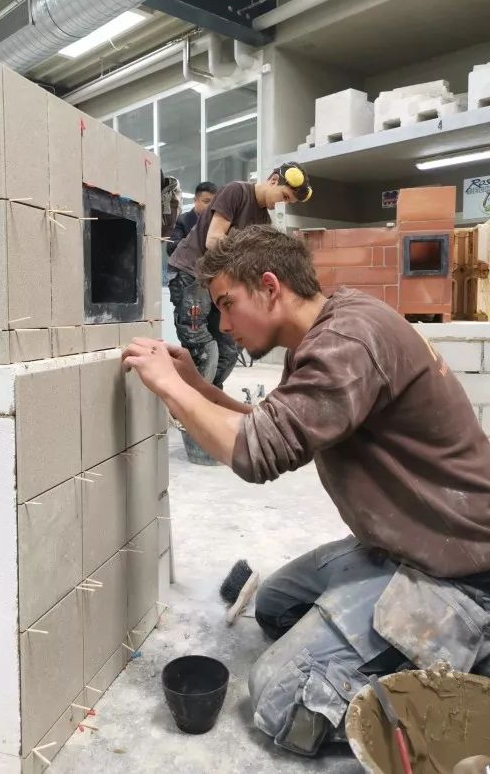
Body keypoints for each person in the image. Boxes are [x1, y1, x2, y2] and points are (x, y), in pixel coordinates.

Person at [122, 224, 490, 758]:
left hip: (462, 571)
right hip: (403, 547)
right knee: (274, 607)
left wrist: (169, 386)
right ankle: (399, 640)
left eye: (227, 304)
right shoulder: (327, 332)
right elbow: (279, 427)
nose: (223, 324)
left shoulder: (346, 343)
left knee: (280, 698)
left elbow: (256, 454)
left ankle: (465, 661)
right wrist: (198, 387)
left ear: (270, 286)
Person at [167, 163, 312, 389]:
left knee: (228, 350)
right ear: (273, 180)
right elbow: (213, 240)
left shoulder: (263, 222)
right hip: (191, 272)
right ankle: (190, 404)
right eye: (284, 196)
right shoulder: (237, 192)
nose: (282, 204)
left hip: (215, 282)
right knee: (204, 349)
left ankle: (209, 399)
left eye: (289, 202)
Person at [166, 181, 218, 256]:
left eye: (214, 202)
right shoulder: (182, 221)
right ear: (195, 200)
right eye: (206, 202)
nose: (211, 206)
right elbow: (171, 248)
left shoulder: (217, 221)